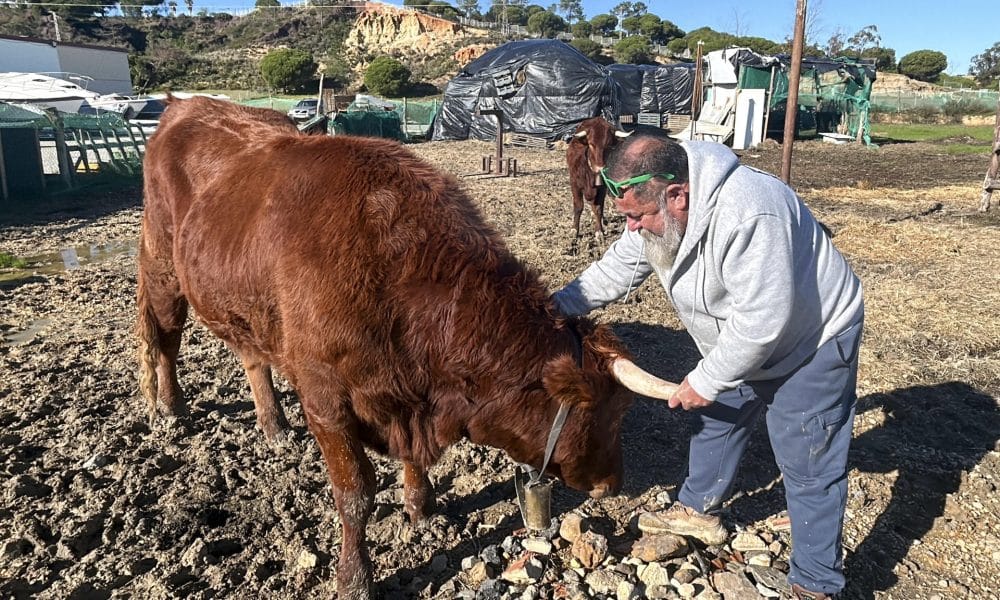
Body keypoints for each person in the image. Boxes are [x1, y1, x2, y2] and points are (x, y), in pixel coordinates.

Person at [553, 132, 864, 600]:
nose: (632, 228)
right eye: (627, 217)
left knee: (808, 458)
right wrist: (551, 309)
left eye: (639, 217)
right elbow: (617, 267)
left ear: (678, 195)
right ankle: (697, 510)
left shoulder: (751, 211)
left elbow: (764, 320)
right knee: (717, 418)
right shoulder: (655, 200)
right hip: (733, 336)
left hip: (808, 340)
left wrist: (709, 377)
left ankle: (816, 582)